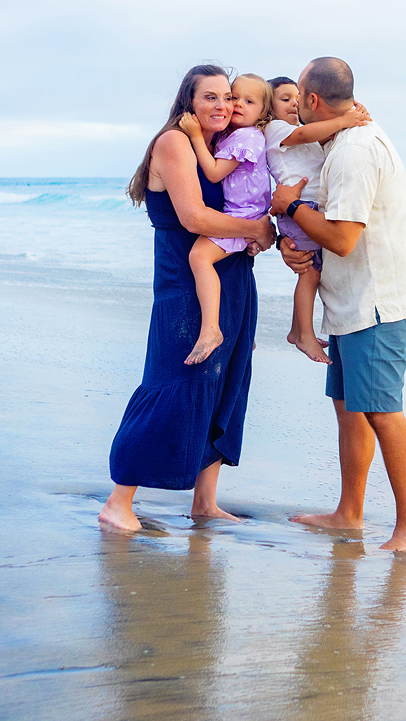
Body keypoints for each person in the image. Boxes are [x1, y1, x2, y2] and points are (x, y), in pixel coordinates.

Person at [99, 66, 277, 533]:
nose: (222, 105)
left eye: (228, 97)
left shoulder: (224, 144)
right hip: (185, 285)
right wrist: (257, 229)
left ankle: (205, 503)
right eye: (211, 97)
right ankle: (118, 502)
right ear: (188, 102)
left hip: (232, 278)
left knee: (225, 385)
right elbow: (196, 217)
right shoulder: (174, 143)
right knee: (173, 383)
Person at [270, 58, 406, 553]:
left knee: (382, 411)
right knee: (349, 409)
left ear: (312, 101)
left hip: (379, 302)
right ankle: (349, 513)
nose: (295, 107)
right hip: (351, 300)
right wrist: (288, 241)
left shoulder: (355, 152)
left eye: (297, 97)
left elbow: (341, 239)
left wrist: (290, 207)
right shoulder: (337, 143)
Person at [263, 76, 372, 364]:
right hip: (299, 208)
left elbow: (316, 137)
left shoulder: (302, 130)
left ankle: (296, 330)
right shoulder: (275, 129)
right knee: (309, 273)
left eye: (296, 98)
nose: (294, 103)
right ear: (267, 108)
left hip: (307, 207)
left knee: (313, 272)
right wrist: (344, 120)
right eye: (284, 99)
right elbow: (303, 136)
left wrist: (349, 112)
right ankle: (304, 336)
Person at [180, 73, 274, 365]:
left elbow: (213, 173)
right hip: (242, 212)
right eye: (234, 98)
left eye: (249, 101)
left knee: (199, 257)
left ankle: (212, 330)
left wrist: (195, 136)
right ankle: (242, 331)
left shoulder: (248, 137)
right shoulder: (233, 135)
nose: (238, 105)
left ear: (262, 112)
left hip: (242, 214)